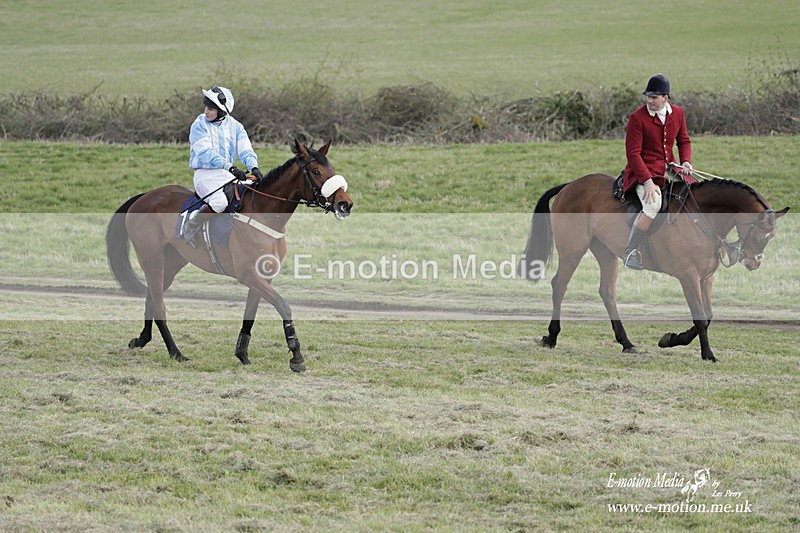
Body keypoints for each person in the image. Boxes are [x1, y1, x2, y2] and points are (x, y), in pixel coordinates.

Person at [621, 74, 693, 269]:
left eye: (654, 97)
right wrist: (647, 182)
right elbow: (633, 154)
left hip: (670, 168)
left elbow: (684, 141)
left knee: (695, 193)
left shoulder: (678, 113)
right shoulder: (637, 118)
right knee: (653, 205)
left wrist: (685, 161)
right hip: (641, 172)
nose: (650, 101)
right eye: (648, 97)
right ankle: (630, 252)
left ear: (665, 98)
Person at [184, 86, 264, 248]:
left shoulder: (236, 126)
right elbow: (206, 153)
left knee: (253, 194)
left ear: (222, 111)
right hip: (205, 175)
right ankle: (191, 227)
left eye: (210, 109)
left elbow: (245, 150)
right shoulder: (198, 125)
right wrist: (231, 168)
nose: (206, 111)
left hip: (226, 174)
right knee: (220, 202)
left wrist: (254, 167)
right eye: (206, 107)